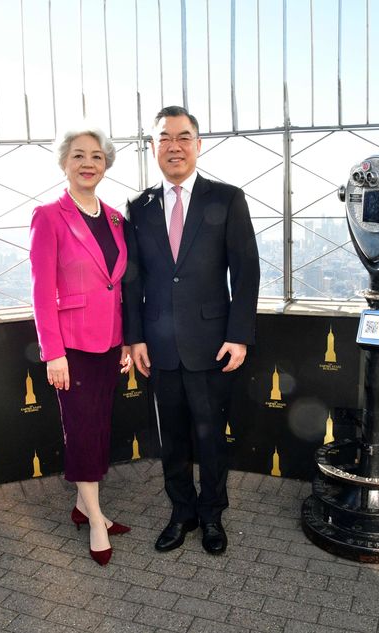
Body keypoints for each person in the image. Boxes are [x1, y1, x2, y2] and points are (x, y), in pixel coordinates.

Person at [122, 106, 260, 555]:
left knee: (211, 437)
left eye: (183, 137)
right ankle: (181, 512)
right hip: (159, 347)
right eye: (165, 138)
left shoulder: (227, 199)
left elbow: (246, 271)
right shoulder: (138, 207)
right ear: (153, 147)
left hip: (212, 345)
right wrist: (135, 337)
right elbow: (133, 279)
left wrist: (238, 335)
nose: (174, 146)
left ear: (198, 145)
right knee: (173, 440)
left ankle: (212, 515)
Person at [29, 126, 133, 567]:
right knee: (84, 432)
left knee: (100, 427)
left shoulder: (115, 218)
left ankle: (83, 505)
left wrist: (127, 340)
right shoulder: (48, 215)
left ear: (106, 164)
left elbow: (121, 285)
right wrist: (53, 351)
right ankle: (95, 520)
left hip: (110, 343)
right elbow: (40, 289)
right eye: (78, 155)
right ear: (64, 163)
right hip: (71, 348)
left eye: (96, 156)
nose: (88, 163)